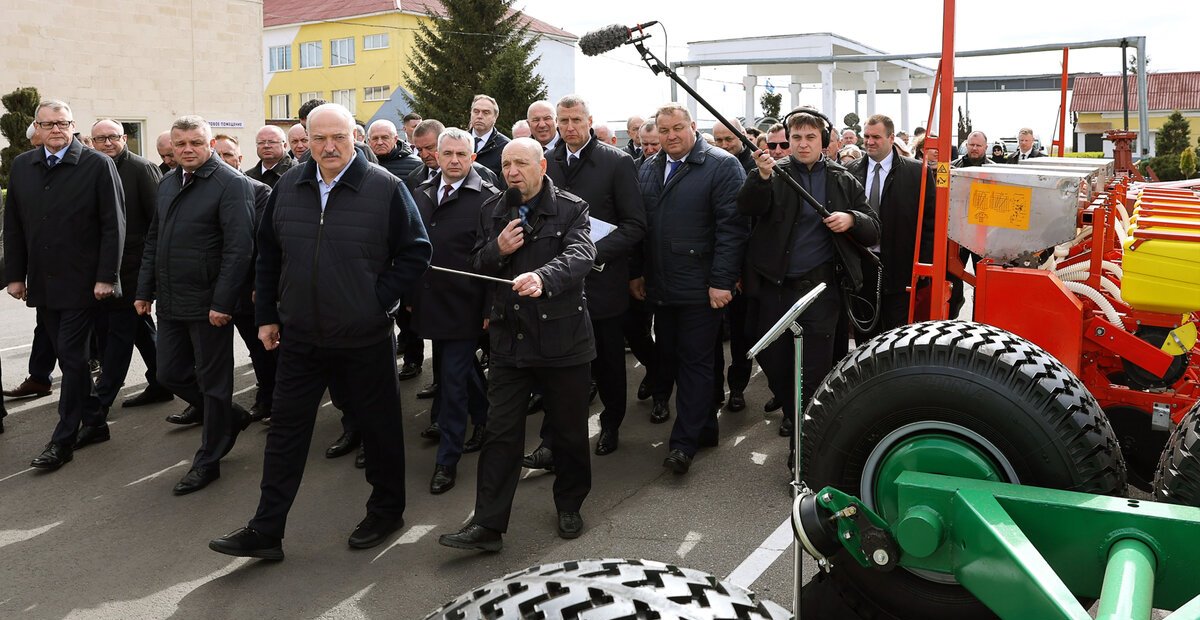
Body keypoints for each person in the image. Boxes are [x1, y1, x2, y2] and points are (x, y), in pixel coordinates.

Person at [208, 103, 431, 560]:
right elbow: (269, 256)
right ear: (306, 141)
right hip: (301, 335)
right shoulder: (289, 186)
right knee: (285, 433)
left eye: (339, 137)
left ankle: (386, 511)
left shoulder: (385, 188)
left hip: (363, 335)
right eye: (319, 138)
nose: (329, 147)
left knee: (380, 430)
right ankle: (266, 530)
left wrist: (375, 301)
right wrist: (268, 315)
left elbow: (416, 252)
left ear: (355, 137)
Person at [438, 138, 596, 552]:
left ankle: (570, 504)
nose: (511, 172)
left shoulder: (572, 207)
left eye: (521, 164)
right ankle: (487, 525)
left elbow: (582, 254)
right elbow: (477, 261)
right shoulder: (492, 208)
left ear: (541, 166)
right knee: (500, 433)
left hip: (562, 338)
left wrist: (543, 277)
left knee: (568, 432)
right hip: (510, 337)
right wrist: (497, 249)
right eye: (506, 164)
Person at [738, 107, 879, 449]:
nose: (802, 144)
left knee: (814, 373)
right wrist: (761, 177)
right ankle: (793, 410)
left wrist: (851, 219)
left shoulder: (843, 179)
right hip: (776, 288)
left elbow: (873, 227)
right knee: (774, 360)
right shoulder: (772, 173)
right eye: (796, 138)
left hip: (821, 291)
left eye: (810, 137)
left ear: (824, 141)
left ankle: (803, 448)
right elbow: (747, 207)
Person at [136, 115, 255, 495]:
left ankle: (209, 459)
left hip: (210, 305)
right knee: (169, 373)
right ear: (172, 147)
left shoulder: (231, 184)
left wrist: (223, 302)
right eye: (180, 144)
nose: (187, 150)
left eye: (196, 143)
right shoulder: (169, 182)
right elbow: (154, 240)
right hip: (172, 299)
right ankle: (231, 417)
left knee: (214, 383)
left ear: (210, 144)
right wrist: (144, 290)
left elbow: (239, 249)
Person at [5, 100, 125, 470]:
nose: (56, 129)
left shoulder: (97, 164)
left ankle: (63, 440)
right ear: (37, 128)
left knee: (72, 358)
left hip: (84, 283)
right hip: (43, 282)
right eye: (48, 124)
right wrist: (15, 275)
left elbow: (114, 225)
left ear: (73, 126)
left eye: (63, 123)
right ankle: (95, 421)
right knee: (68, 357)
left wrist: (107, 276)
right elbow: (14, 225)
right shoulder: (23, 165)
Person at [633, 103, 749, 475]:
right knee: (674, 357)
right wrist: (638, 273)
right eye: (664, 130)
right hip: (662, 286)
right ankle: (706, 428)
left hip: (701, 287)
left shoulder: (721, 165)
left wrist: (721, 281)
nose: (670, 136)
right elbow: (642, 227)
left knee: (694, 362)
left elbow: (732, 229)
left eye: (677, 128)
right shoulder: (648, 168)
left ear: (692, 126)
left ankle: (682, 445)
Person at [529, 94, 645, 462]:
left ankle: (611, 423)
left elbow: (635, 225)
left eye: (575, 120)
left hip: (602, 281)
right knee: (560, 367)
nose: (569, 127)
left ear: (589, 121)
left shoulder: (616, 162)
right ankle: (553, 443)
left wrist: (591, 255)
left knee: (608, 362)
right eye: (563, 121)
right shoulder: (548, 162)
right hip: (558, 284)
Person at [410, 127, 496, 494]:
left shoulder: (488, 198)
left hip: (466, 304)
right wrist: (410, 293)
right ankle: (487, 418)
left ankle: (447, 460)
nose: (455, 160)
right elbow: (410, 247)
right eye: (448, 154)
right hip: (430, 301)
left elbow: (495, 259)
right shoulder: (421, 193)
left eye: (462, 154)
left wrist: (490, 306)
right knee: (458, 367)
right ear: (437, 156)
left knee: (452, 380)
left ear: (473, 157)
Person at [89, 119, 173, 415]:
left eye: (113, 137)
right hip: (103, 267)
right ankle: (162, 381)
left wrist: (151, 275)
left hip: (134, 269)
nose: (107, 143)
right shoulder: (93, 168)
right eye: (100, 139)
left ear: (124, 138)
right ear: (92, 142)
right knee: (139, 329)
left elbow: (158, 222)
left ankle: (100, 402)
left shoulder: (141, 168)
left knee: (118, 336)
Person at [846, 114, 937, 332]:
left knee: (896, 333)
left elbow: (930, 223)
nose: (869, 142)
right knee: (865, 333)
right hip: (861, 269)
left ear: (891, 138)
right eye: (866, 136)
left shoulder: (917, 173)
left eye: (876, 137)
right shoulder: (850, 172)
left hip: (900, 269)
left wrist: (924, 266)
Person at [212, 134, 277, 422]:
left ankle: (270, 399)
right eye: (218, 155)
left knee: (261, 348)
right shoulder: (204, 192)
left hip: (248, 287)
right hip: (214, 287)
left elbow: (264, 243)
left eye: (229, 155)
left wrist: (258, 285)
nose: (223, 160)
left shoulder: (259, 191)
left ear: (240, 159)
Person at [469, 94, 511, 180]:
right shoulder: (458, 142)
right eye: (476, 111)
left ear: (495, 117)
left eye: (486, 112)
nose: (479, 116)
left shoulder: (506, 146)